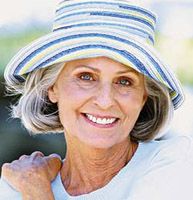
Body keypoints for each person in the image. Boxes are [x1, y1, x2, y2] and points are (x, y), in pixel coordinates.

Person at [1, 0, 193, 199]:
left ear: (144, 97)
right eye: (86, 76)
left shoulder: (177, 163)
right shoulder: (14, 187)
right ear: (51, 87)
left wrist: (37, 192)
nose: (105, 101)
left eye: (125, 81)